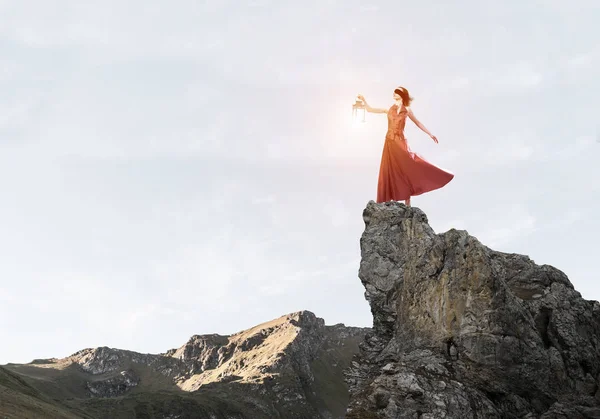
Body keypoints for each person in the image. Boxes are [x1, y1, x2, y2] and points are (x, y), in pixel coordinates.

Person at [358, 87, 454, 206]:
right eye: (394, 92)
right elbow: (370, 109)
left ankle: (409, 199)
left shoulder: (407, 110)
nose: (394, 93)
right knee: (390, 169)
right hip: (390, 143)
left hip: (401, 142)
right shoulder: (388, 109)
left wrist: (430, 134)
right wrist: (364, 100)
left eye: (397, 92)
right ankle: (391, 199)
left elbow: (417, 122)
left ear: (402, 95)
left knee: (409, 165)